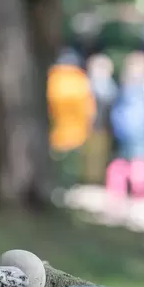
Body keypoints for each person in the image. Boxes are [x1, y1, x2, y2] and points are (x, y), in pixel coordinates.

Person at [107, 51, 144, 208]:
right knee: (140, 161)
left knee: (121, 159)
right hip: (143, 130)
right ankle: (139, 194)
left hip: (122, 130)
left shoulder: (125, 85)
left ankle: (116, 191)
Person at [46, 48, 97, 200]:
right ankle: (68, 189)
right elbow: (90, 109)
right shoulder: (81, 80)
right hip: (77, 133)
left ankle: (55, 188)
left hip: (54, 132)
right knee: (72, 165)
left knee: (56, 163)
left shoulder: (52, 79)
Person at [84, 53, 118, 184]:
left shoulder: (88, 84)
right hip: (98, 126)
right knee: (95, 153)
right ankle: (93, 178)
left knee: (95, 153)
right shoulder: (111, 87)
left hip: (99, 126)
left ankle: (93, 178)